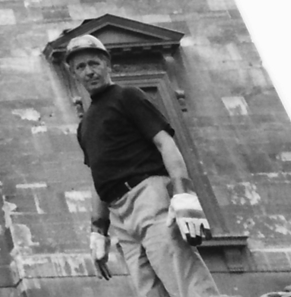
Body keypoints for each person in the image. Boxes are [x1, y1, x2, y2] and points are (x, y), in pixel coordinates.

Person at [67, 35, 218, 297]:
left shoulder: (127, 96)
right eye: (81, 67)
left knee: (183, 276)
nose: (89, 71)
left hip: (148, 195)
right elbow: (97, 177)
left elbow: (165, 144)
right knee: (148, 290)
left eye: (94, 63)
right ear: (74, 74)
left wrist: (183, 193)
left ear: (107, 64)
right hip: (118, 212)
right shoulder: (85, 125)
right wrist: (98, 231)